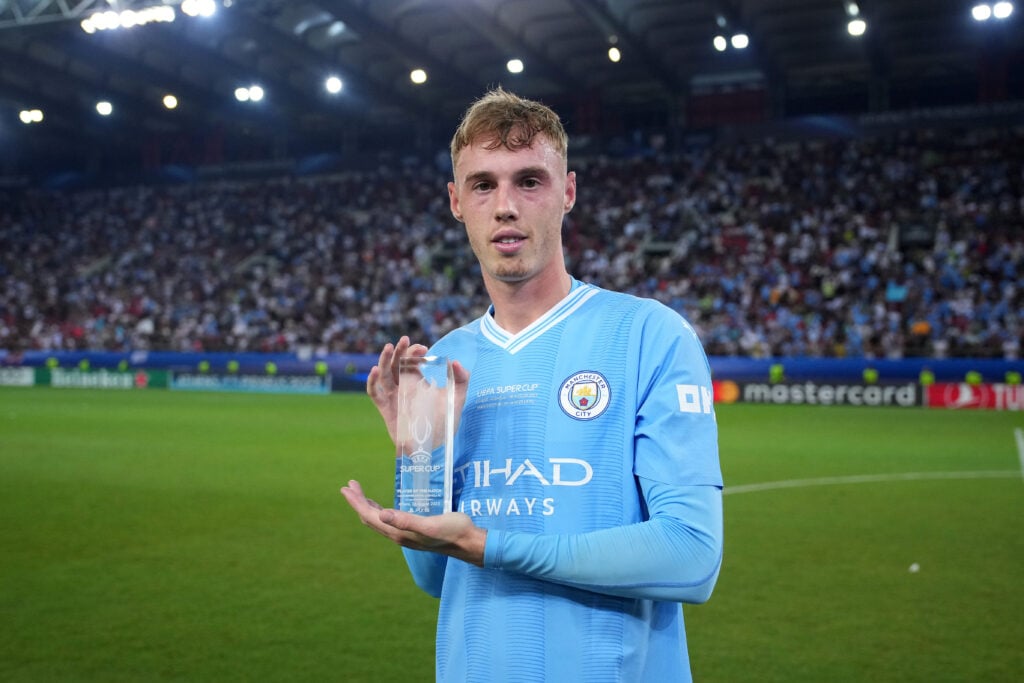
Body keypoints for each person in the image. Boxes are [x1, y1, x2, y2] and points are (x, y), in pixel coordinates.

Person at [341, 87, 723, 682]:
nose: (505, 206)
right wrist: (419, 460)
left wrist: (489, 544)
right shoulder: (442, 361)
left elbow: (692, 555)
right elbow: (436, 575)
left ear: (567, 192)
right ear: (456, 202)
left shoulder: (649, 334)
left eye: (529, 181)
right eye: (483, 185)